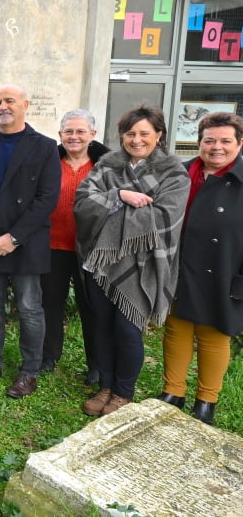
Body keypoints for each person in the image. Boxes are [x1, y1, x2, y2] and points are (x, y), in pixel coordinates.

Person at [74, 104, 189, 417]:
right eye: (130, 133)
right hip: (100, 262)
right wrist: (120, 196)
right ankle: (105, 386)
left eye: (144, 133)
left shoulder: (174, 173)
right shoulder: (107, 164)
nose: (136, 140)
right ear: (122, 136)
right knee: (101, 326)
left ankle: (123, 393)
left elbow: (164, 218)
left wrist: (110, 208)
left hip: (143, 265)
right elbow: (82, 202)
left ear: (159, 135)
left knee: (127, 330)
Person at [0, 84, 60, 399]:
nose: (3, 106)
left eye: (9, 101)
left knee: (29, 308)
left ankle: (29, 371)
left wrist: (14, 237)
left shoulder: (45, 147)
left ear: (25, 105)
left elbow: (47, 198)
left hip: (25, 242)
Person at [157, 111, 243, 425]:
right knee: (177, 328)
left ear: (239, 143)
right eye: (209, 140)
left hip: (223, 270)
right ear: (199, 142)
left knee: (214, 334)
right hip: (180, 266)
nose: (216, 147)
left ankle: (206, 400)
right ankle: (173, 392)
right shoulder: (180, 173)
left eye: (225, 141)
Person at [40, 110, 108, 379]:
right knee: (50, 303)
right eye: (68, 131)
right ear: (60, 135)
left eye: (81, 131)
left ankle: (97, 365)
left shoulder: (105, 166)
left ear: (93, 134)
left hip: (91, 250)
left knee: (92, 307)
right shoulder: (49, 162)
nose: (74, 136)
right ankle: (48, 356)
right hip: (53, 245)